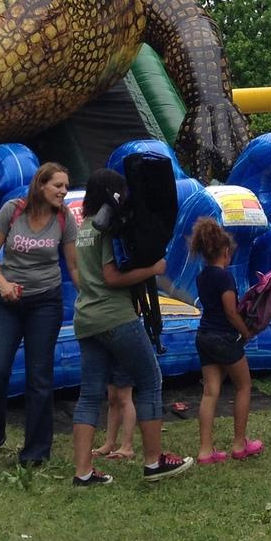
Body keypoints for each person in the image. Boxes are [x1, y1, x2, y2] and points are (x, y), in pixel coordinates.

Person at [69, 168, 191, 486]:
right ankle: (154, 463)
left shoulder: (83, 227)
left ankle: (82, 472)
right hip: (114, 316)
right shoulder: (106, 229)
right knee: (150, 380)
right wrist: (153, 268)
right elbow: (112, 277)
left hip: (85, 318)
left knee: (88, 394)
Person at [0, 161, 78, 467]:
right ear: (41, 185)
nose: (63, 191)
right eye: (58, 185)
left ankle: (35, 453)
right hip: (7, 303)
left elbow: (73, 266)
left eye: (67, 187)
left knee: (39, 378)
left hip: (45, 304)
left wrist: (92, 293)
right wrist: (2, 282)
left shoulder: (64, 219)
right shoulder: (13, 210)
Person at [190, 217, 260, 464]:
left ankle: (205, 449)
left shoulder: (202, 277)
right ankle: (240, 443)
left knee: (210, 392)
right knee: (243, 386)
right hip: (224, 337)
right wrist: (247, 331)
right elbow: (230, 311)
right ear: (226, 252)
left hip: (204, 335)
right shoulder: (224, 278)